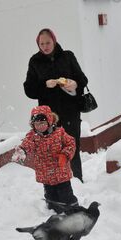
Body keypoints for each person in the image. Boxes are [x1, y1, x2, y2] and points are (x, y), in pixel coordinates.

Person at [24, 28, 88, 182]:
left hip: (70, 110)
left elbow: (82, 79)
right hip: (49, 116)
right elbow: (29, 89)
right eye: (42, 43)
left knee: (72, 145)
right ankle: (58, 181)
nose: (45, 46)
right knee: (52, 149)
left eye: (48, 42)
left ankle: (77, 180)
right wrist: (45, 84)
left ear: (54, 41)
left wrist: (75, 84)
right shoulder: (35, 61)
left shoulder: (68, 56)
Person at [12, 105, 78, 212]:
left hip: (61, 172)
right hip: (45, 174)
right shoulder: (33, 136)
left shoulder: (59, 133)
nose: (39, 126)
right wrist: (22, 150)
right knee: (51, 197)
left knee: (66, 195)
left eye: (42, 123)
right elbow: (27, 144)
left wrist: (65, 155)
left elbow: (71, 143)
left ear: (49, 120)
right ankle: (54, 213)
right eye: (36, 124)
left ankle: (73, 210)